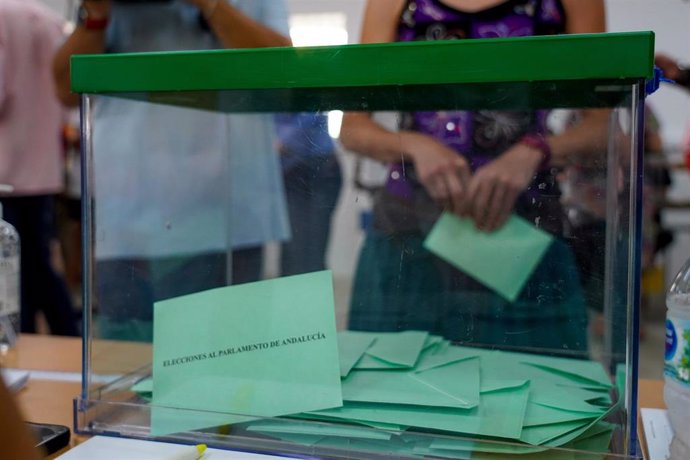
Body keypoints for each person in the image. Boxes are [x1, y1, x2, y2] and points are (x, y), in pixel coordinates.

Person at [340, 0, 609, 354]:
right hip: (409, 230)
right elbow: (353, 128)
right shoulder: (390, 3)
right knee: (387, 385)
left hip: (524, 234)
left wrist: (535, 150)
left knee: (543, 389)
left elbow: (604, 127)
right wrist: (414, 147)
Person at [53, 0, 291, 341]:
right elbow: (63, 89)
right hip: (124, 226)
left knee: (221, 367)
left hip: (224, 222)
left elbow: (284, 71)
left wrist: (210, 5)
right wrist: (96, 15)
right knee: (122, 376)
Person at [0, 0, 79, 337]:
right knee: (35, 265)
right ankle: (63, 342)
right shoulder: (49, 19)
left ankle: (26, 350)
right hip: (42, 165)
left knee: (13, 269)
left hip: (6, 169)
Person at [275, 112, 342, 276]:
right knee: (292, 252)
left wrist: (277, 140)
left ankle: (308, 299)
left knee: (307, 254)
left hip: (315, 168)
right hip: (286, 168)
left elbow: (312, 113)